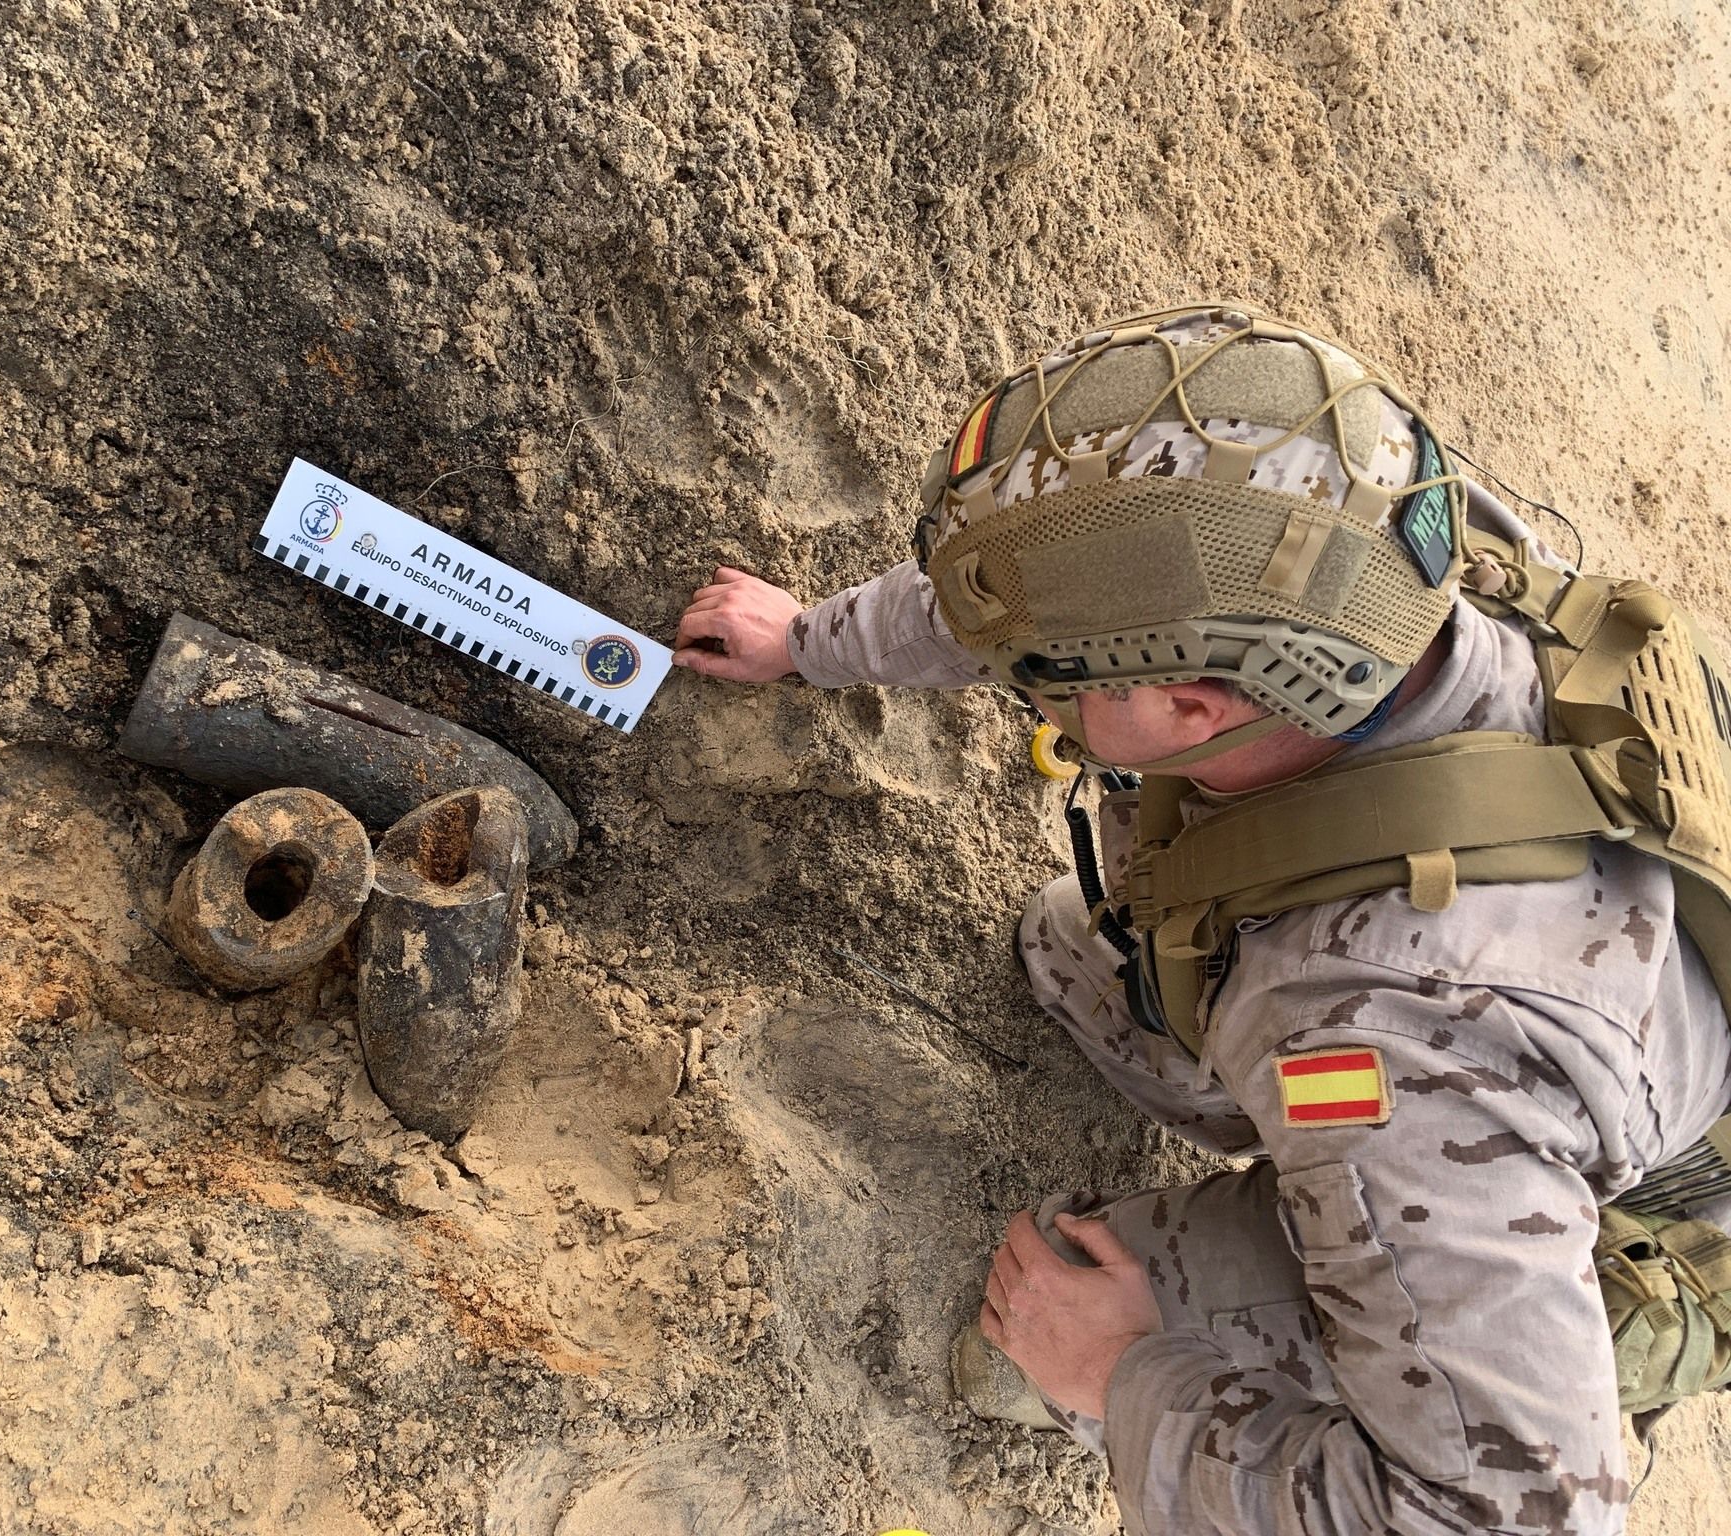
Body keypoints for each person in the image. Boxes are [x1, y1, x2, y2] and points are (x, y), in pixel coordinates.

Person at [672, 306, 1731, 1534]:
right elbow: (1068, 584)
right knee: (1073, 951)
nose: (1035, 686)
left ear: (1185, 708)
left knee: (1039, 1327)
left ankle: (1585, 1318)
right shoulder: (1378, 549)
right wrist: (808, 642)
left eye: (1057, 682)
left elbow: (1513, 1516)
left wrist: (1126, 1378)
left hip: (1632, 1191)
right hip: (1586, 1026)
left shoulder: (1384, 1035)